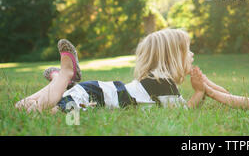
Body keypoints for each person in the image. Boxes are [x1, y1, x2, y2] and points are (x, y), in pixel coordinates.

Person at [15, 29, 206, 113]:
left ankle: (61, 80)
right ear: (172, 56)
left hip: (93, 92)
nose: (192, 54)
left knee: (21, 107)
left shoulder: (157, 81)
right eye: (187, 50)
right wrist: (199, 91)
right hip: (93, 96)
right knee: (41, 111)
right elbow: (184, 111)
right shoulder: (163, 83)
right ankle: (65, 75)